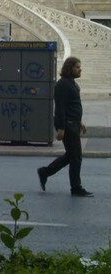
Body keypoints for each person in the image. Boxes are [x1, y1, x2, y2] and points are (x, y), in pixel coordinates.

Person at [37, 57, 93, 197]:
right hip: (67, 125)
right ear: (69, 68)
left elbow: (72, 106)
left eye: (80, 67)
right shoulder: (62, 84)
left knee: (70, 155)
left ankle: (45, 172)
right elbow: (60, 107)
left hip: (72, 123)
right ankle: (76, 188)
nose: (80, 69)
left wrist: (79, 122)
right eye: (77, 67)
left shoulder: (71, 83)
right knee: (76, 157)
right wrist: (61, 128)